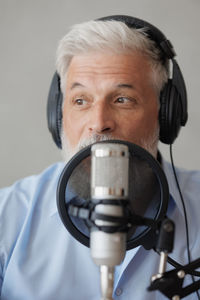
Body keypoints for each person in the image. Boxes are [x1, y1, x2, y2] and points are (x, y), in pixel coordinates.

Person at [0, 15, 200, 300]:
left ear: (165, 114)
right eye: (81, 101)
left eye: (122, 100)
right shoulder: (7, 218)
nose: (99, 123)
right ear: (58, 114)